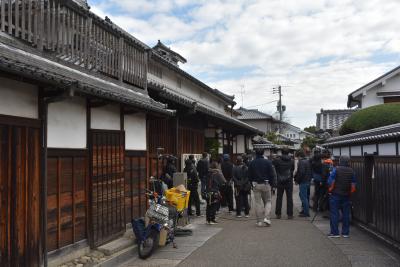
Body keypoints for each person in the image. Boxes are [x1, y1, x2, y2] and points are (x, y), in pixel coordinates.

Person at [327, 155, 356, 238]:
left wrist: (330, 190)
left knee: (334, 213)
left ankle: (334, 232)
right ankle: (345, 233)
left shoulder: (336, 170)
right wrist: (349, 192)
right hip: (346, 195)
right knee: (346, 214)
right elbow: (353, 184)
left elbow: (330, 181)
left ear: (341, 161)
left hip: (335, 194)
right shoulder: (351, 171)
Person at [248, 148, 276, 227]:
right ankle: (267, 218)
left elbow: (249, 175)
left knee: (257, 203)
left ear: (255, 154)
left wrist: (251, 184)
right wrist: (272, 184)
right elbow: (272, 174)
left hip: (256, 184)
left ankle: (259, 221)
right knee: (268, 201)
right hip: (266, 184)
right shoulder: (268, 162)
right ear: (263, 153)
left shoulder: (252, 163)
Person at [273, 148, 294, 219]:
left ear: (281, 152)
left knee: (279, 197)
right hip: (289, 181)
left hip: (280, 180)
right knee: (289, 198)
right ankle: (290, 214)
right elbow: (292, 170)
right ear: (288, 153)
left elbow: (274, 168)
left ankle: (278, 214)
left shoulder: (277, 160)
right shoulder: (291, 161)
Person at [294, 150, 312, 217]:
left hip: (303, 181)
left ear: (299, 156)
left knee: (303, 196)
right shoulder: (308, 161)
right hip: (308, 181)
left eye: (297, 157)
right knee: (305, 196)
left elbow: (301, 173)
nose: (297, 158)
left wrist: (297, 180)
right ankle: (304, 210)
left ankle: (306, 212)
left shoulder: (301, 162)